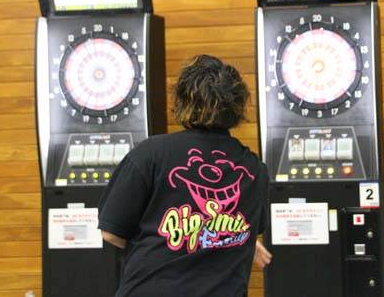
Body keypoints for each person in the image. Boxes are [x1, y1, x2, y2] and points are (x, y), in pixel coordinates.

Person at [98, 54, 272, 296]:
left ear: (183, 100)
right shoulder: (255, 169)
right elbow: (241, 229)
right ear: (238, 106)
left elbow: (111, 232)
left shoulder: (150, 154)